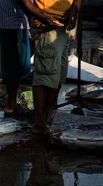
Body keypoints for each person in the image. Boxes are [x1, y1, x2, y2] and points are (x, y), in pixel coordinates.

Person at [18, 0, 81, 135]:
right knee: (46, 74)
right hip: (47, 23)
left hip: (64, 23)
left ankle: (47, 119)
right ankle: (40, 124)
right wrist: (40, 15)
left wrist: (75, 7)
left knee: (57, 75)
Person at [0, 0, 31, 115]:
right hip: (14, 21)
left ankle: (10, 102)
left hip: (4, 20)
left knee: (11, 62)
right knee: (17, 64)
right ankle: (11, 104)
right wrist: (38, 17)